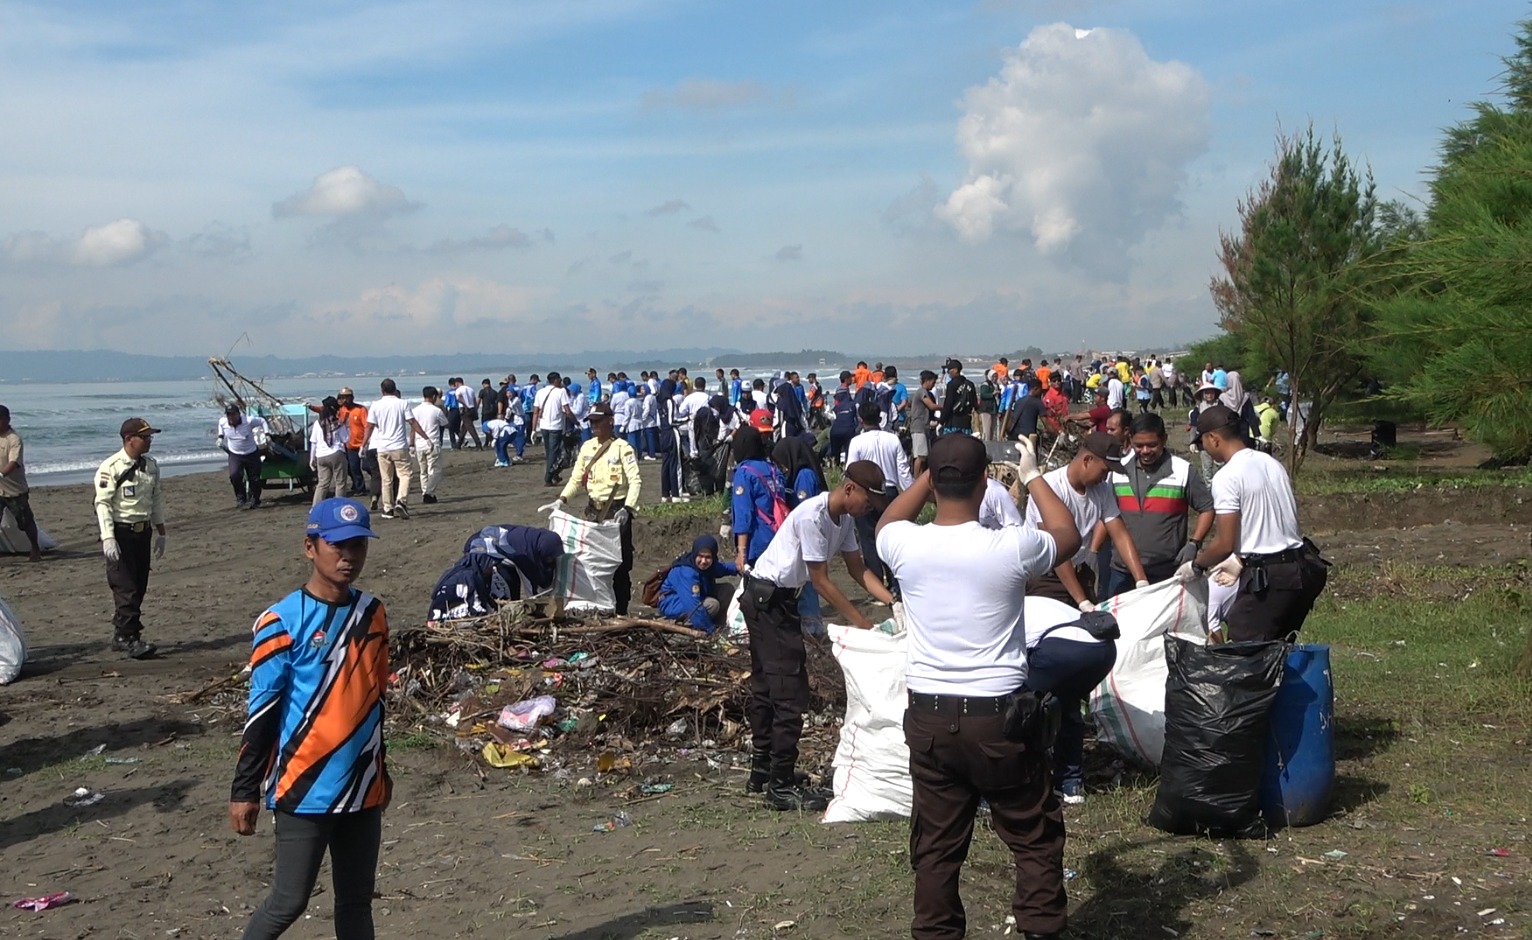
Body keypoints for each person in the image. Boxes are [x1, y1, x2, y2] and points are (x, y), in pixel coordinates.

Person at [875, 435, 1081, 940]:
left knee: (936, 847)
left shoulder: (905, 544)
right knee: (1033, 836)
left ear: (933, 483)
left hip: (929, 718)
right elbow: (1066, 535)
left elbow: (885, 523)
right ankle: (1040, 930)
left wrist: (930, 475)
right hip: (999, 719)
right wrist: (1032, 475)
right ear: (986, 480)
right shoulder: (1008, 546)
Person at [230, 497, 390, 940]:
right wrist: (244, 792)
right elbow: (261, 714)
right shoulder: (281, 620)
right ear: (309, 548)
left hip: (363, 786)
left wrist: (383, 772)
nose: (348, 556)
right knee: (289, 901)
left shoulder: (373, 613)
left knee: (357, 903)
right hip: (304, 788)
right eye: (337, 545)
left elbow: (375, 700)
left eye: (357, 545)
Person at [741, 461, 896, 810]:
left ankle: (763, 770)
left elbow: (858, 569)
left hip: (776, 600)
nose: (868, 509)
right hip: (768, 600)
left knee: (766, 687)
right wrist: (862, 622)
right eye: (867, 502)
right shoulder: (813, 515)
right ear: (850, 489)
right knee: (789, 692)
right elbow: (821, 580)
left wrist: (891, 601)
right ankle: (779, 785)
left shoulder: (845, 523)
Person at [1177, 405, 1329, 641]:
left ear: (1214, 439)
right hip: (1301, 566)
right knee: (1277, 647)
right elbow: (1272, 523)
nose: (1203, 448)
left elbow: (1224, 543)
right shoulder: (1271, 463)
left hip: (1269, 575)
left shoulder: (1227, 477)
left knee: (1246, 649)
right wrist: (1240, 558)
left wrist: (1196, 565)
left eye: (1203, 442)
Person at [1024, 432, 1149, 610]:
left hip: (1080, 572)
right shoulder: (1049, 488)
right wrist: (1082, 601)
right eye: (1104, 471)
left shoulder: (1102, 490)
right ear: (1087, 460)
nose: (1105, 478)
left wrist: (1141, 581)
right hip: (1047, 578)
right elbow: (1056, 550)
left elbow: (1120, 534)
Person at [1102, 412, 1214, 598]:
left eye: (1152, 445)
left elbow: (1207, 508)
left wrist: (1194, 543)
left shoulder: (1183, 471)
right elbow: (1107, 516)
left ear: (1164, 439)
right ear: (1130, 440)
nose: (1145, 451)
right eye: (1139, 445)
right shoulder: (1118, 472)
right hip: (1122, 571)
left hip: (1166, 573)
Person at [552, 403, 641, 614]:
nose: (593, 426)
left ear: (610, 421)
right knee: (591, 561)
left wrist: (628, 509)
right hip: (593, 513)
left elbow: (635, 480)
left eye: (597, 421)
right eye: (591, 422)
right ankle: (597, 607)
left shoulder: (623, 448)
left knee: (619, 564)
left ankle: (621, 610)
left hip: (616, 512)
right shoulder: (587, 447)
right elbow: (576, 478)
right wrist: (562, 499)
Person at [93, 418, 168, 659]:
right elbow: (102, 503)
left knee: (139, 584)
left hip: (142, 532)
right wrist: (108, 537)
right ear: (129, 439)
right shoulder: (112, 467)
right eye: (144, 437)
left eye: (150, 437)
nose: (149, 441)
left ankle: (122, 634)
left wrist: (161, 531)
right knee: (126, 587)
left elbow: (155, 498)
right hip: (121, 533)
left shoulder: (151, 466)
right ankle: (128, 637)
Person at [845, 401, 913, 597]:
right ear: (880, 417)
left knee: (868, 539)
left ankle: (877, 586)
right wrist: (911, 495)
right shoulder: (892, 439)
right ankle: (896, 584)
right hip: (889, 492)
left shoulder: (857, 442)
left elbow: (851, 470)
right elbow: (903, 470)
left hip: (865, 493)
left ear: (860, 419)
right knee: (890, 538)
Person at [360, 379, 426, 521]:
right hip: (399, 446)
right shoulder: (402, 403)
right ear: (395, 390)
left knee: (386, 479)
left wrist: (363, 445)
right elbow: (412, 422)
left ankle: (388, 508)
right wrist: (425, 437)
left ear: (382, 390)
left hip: (382, 447)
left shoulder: (376, 405)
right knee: (405, 475)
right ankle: (401, 500)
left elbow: (369, 427)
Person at [656, 535, 739, 633]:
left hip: (697, 596)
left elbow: (724, 568)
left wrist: (741, 567)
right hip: (673, 603)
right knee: (712, 605)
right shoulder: (687, 572)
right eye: (700, 556)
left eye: (708, 557)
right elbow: (693, 606)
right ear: (695, 554)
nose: (703, 561)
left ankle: (719, 625)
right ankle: (689, 627)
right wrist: (711, 631)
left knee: (727, 590)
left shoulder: (710, 566)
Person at [731, 427, 786, 573]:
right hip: (780, 537)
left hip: (759, 541)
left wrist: (741, 553)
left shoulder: (744, 473)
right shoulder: (774, 469)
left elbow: (744, 515)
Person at [0, 405, 42, 561]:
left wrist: (0, 474)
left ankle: (35, 548)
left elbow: (13, 463)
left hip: (15, 490)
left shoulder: (14, 439)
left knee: (25, 523)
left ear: (7, 420)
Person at [218, 404, 268, 510]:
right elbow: (220, 427)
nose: (231, 417)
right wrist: (220, 437)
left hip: (251, 453)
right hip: (235, 454)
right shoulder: (223, 422)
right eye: (228, 415)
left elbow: (262, 421)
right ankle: (241, 498)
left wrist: (267, 434)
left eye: (233, 415)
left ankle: (255, 499)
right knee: (234, 475)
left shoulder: (248, 421)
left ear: (238, 414)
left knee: (254, 479)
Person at [533, 371, 573, 488]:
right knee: (554, 452)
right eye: (559, 380)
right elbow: (567, 410)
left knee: (550, 451)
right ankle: (549, 477)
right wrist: (576, 422)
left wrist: (533, 429)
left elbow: (535, 412)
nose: (561, 381)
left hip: (544, 426)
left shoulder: (540, 392)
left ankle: (553, 474)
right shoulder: (561, 392)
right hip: (556, 426)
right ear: (555, 380)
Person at [307, 397, 349, 507]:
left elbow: (314, 442)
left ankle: (315, 508)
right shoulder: (338, 423)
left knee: (322, 484)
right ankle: (339, 507)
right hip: (336, 453)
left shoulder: (317, 424)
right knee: (340, 483)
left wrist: (312, 459)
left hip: (321, 456)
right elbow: (345, 439)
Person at [412, 386, 449, 505]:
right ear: (433, 397)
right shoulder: (436, 410)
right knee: (434, 470)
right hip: (432, 443)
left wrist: (411, 444)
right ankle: (429, 492)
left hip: (419, 444)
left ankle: (425, 492)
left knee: (423, 471)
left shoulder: (415, 410)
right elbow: (445, 423)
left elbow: (412, 428)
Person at [336, 388, 369, 497]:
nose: (345, 400)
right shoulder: (341, 410)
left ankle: (367, 485)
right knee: (350, 468)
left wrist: (366, 442)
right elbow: (324, 409)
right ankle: (358, 486)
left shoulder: (360, 410)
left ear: (352, 397)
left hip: (361, 444)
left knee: (365, 467)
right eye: (342, 397)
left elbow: (367, 426)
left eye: (347, 397)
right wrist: (311, 407)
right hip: (348, 444)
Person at [908, 370, 939, 474]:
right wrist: (946, 407)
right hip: (918, 427)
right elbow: (931, 405)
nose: (933, 385)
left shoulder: (923, 392)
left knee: (923, 456)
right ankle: (916, 479)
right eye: (933, 383)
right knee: (920, 456)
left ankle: (920, 476)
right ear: (928, 381)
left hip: (923, 426)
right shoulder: (922, 392)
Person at [939, 358, 977, 436]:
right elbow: (974, 404)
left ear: (956, 370)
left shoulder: (951, 384)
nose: (948, 371)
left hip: (953, 422)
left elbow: (948, 404)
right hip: (966, 423)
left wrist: (941, 421)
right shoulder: (970, 384)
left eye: (949, 369)